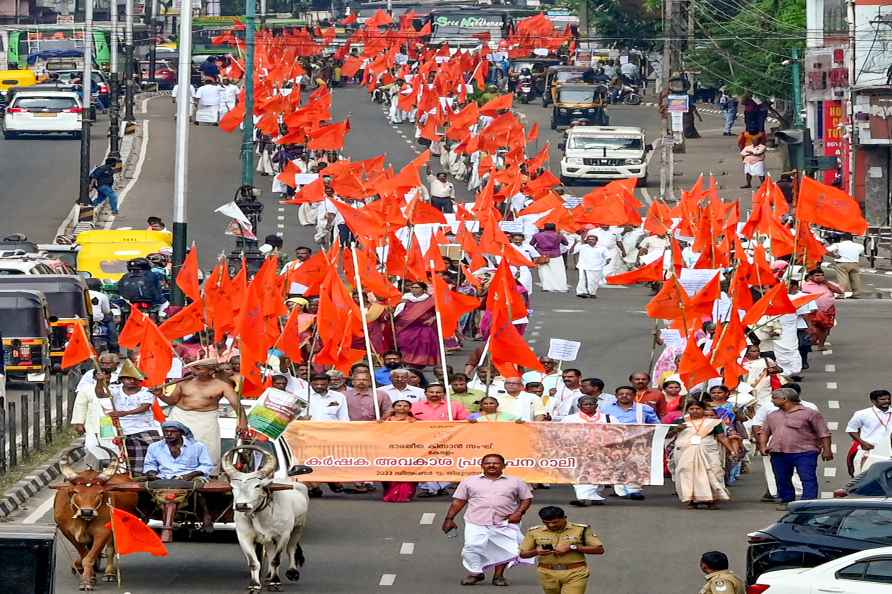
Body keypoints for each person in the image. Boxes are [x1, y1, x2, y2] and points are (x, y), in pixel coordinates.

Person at [441, 454, 534, 587]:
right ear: (482, 465)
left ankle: (498, 577)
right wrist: (449, 518)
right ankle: (475, 573)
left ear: (504, 466)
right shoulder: (469, 481)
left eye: (495, 463)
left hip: (505, 522)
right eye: (488, 463)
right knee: (471, 548)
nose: (491, 465)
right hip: (476, 521)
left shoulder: (516, 481)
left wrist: (519, 513)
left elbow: (527, 499)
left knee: (504, 549)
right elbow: (458, 501)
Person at [158, 358, 245, 467]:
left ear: (211, 371)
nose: (194, 371)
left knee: (208, 450)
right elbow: (172, 401)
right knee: (175, 448)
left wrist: (242, 422)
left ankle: (207, 476)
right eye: (193, 368)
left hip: (206, 421)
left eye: (198, 369)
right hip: (180, 417)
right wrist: (160, 395)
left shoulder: (222, 385)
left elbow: (237, 405)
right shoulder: (183, 382)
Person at [757, 388, 833, 505]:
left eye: (775, 398)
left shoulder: (810, 413)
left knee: (807, 477)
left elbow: (823, 433)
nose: (772, 401)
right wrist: (762, 446)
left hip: (805, 452)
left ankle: (808, 502)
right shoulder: (772, 415)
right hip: (778, 452)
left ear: (785, 399)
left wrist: (827, 450)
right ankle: (787, 501)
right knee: (781, 478)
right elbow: (764, 432)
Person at [519, 506, 605, 594]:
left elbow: (599, 549)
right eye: (546, 523)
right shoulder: (534, 532)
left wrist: (572, 547)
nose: (551, 525)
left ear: (564, 518)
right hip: (547, 574)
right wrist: (536, 551)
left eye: (555, 522)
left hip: (575, 573)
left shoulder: (581, 529)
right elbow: (523, 554)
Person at [599, 386, 660, 500]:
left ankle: (634, 490)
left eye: (628, 394)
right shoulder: (606, 408)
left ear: (634, 395)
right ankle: (620, 490)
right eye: (621, 394)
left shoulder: (643, 408)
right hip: (614, 440)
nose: (624, 396)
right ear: (616, 396)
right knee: (616, 465)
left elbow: (655, 424)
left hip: (637, 441)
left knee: (635, 465)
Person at [672, 399, 734, 509]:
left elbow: (721, 437)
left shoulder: (713, 423)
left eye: (698, 408)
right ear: (687, 410)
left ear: (703, 410)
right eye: (692, 409)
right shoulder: (680, 421)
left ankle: (712, 500)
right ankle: (691, 499)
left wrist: (732, 450)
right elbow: (668, 435)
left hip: (708, 451)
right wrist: (676, 429)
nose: (695, 411)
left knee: (713, 472)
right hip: (685, 451)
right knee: (688, 473)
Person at [103, 361, 162, 475]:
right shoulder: (114, 390)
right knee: (114, 452)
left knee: (155, 451)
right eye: (128, 378)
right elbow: (100, 393)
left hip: (144, 428)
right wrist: (101, 381)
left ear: (140, 381)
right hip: (118, 428)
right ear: (122, 379)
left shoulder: (146, 392)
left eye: (135, 379)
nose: (132, 381)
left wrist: (124, 413)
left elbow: (144, 407)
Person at [561, 395, 611, 506]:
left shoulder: (608, 418)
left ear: (596, 405)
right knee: (580, 475)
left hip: (602, 452)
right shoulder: (569, 419)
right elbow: (560, 433)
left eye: (591, 404)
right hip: (577, 452)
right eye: (585, 404)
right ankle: (582, 498)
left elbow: (621, 432)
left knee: (598, 475)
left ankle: (595, 497)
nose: (588, 406)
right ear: (579, 406)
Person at [845, 389, 892, 475]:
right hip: (869, 450)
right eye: (883, 399)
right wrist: (862, 443)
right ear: (873, 401)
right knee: (861, 477)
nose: (887, 401)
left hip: (889, 451)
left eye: (888, 399)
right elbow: (851, 429)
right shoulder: (862, 414)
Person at [393, 282, 439, 368]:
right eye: (412, 287)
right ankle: (406, 361)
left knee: (422, 343)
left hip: (423, 326)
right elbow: (398, 313)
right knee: (404, 341)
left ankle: (419, 362)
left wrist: (432, 318)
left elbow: (438, 312)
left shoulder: (431, 300)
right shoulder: (405, 299)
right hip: (407, 326)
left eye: (417, 287)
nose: (414, 289)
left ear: (424, 290)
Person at [381, 399, 418, 503]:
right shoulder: (386, 420)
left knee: (407, 473)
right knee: (392, 472)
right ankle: (391, 494)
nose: (402, 407)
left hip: (409, 450)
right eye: (399, 405)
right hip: (390, 450)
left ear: (410, 408)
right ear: (393, 407)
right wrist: (379, 422)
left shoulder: (415, 421)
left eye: (405, 406)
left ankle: (405, 494)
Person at [802, 268, 844, 349]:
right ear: (810, 277)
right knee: (814, 328)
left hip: (828, 310)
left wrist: (826, 283)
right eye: (817, 275)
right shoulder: (805, 285)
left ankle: (821, 345)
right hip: (812, 310)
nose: (820, 277)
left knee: (825, 328)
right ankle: (814, 341)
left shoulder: (828, 284)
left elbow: (840, 291)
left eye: (822, 275)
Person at [530, 223, 569, 292]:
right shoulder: (559, 235)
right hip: (556, 255)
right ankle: (561, 287)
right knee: (558, 272)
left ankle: (546, 287)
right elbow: (566, 243)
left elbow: (531, 244)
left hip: (542, 255)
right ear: (554, 228)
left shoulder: (537, 235)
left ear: (544, 228)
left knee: (544, 272)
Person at [573, 233, 611, 299]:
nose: (591, 240)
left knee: (594, 281)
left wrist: (608, 260)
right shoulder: (582, 247)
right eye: (589, 239)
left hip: (597, 267)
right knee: (583, 279)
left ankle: (592, 293)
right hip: (584, 266)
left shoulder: (602, 248)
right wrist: (575, 243)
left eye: (593, 239)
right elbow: (572, 252)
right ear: (587, 240)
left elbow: (608, 256)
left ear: (596, 241)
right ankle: (581, 292)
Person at [827, 232, 864, 297]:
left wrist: (834, 255)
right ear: (851, 239)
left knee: (842, 278)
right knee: (855, 279)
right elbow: (860, 252)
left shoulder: (837, 245)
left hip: (842, 263)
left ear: (842, 238)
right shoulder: (859, 246)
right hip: (854, 263)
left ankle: (842, 292)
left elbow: (826, 250)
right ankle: (857, 293)